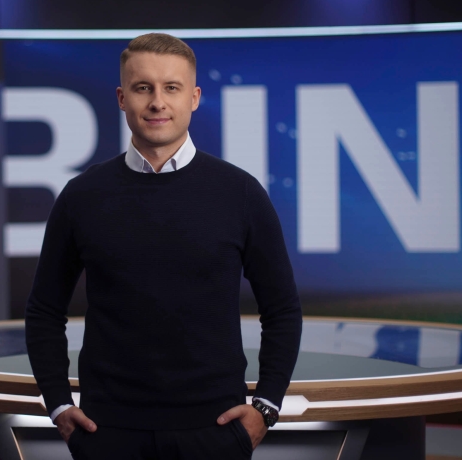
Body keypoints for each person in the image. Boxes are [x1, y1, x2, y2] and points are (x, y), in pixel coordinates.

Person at [25, 33, 302, 459]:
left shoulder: (241, 193)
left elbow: (282, 309)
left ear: (194, 98)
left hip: (215, 432)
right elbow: (44, 310)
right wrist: (59, 405)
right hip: (107, 433)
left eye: (171, 88)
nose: (157, 102)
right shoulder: (81, 196)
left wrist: (265, 407)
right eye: (143, 88)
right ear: (122, 98)